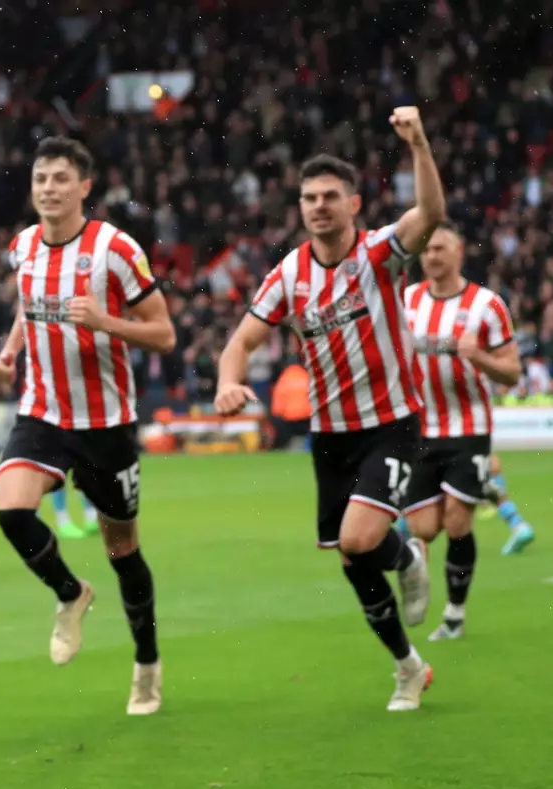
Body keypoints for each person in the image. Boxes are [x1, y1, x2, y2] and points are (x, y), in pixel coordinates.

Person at [216, 107, 444, 712]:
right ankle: (408, 666)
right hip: (332, 436)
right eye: (309, 197)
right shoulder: (288, 274)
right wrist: (227, 382)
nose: (318, 206)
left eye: (330, 196)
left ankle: (407, 553)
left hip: (391, 424)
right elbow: (241, 341)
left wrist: (418, 145)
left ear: (353, 204)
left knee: (358, 536)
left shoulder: (379, 256)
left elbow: (431, 216)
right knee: (352, 557)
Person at [0, 136, 176, 715]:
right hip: (43, 411)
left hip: (107, 424)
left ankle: (146, 663)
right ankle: (71, 594)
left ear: (84, 187)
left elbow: (164, 333)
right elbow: (29, 303)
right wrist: (10, 347)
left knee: (123, 550)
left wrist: (104, 321)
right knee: (12, 510)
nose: (49, 188)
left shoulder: (115, 250)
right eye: (41, 178)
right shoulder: (23, 247)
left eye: (60, 179)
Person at [400, 223, 521, 640]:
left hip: (468, 428)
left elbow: (512, 372)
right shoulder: (408, 300)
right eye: (426, 250)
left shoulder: (487, 305)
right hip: (419, 428)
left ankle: (454, 613)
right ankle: (418, 569)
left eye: (439, 248)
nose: (431, 256)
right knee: (422, 529)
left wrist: (479, 358)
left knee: (456, 523)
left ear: (458, 251)